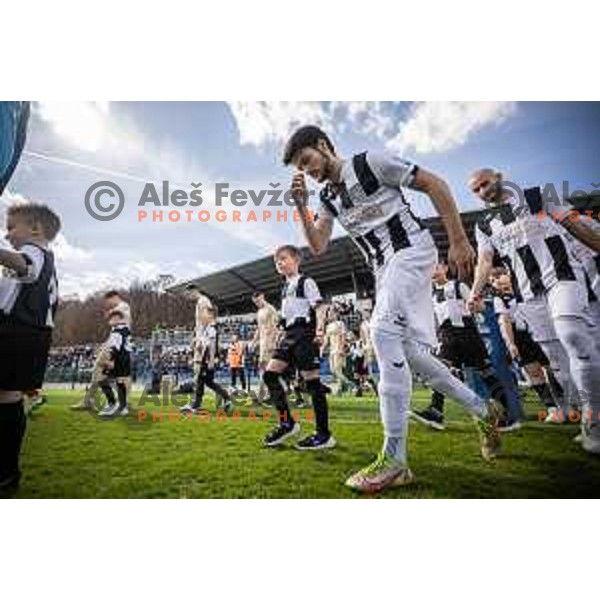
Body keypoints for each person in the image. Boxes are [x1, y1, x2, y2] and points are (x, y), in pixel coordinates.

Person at [283, 125, 500, 492]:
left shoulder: (371, 162)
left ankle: (395, 459)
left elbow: (435, 184)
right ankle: (482, 409)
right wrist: (303, 207)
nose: (309, 171)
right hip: (384, 271)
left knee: (381, 332)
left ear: (323, 146)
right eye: (301, 169)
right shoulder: (327, 199)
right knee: (409, 354)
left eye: (308, 161)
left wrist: (460, 239)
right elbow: (318, 245)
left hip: (412, 251)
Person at [467, 168, 600, 453]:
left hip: (563, 277)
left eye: (485, 184)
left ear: (499, 176)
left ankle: (594, 420)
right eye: (475, 190)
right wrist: (476, 291)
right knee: (558, 364)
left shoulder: (539, 195)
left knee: (574, 336)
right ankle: (581, 414)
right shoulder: (483, 225)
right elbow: (484, 260)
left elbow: (575, 223)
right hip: (528, 295)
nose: (482, 192)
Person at [0, 202, 61, 494]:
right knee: (6, 397)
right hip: (22, 330)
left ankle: (7, 471)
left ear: (35, 228)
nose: (7, 233)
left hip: (22, 331)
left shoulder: (36, 252)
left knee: (7, 396)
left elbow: (26, 267)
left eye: (12, 226)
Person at [411, 262, 514, 431]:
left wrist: (476, 305)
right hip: (447, 338)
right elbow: (435, 322)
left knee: (487, 374)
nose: (432, 272)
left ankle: (509, 415)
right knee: (439, 372)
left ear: (445, 268)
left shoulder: (459, 285)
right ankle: (435, 413)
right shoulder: (430, 296)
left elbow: (479, 307)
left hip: (468, 335)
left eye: (436, 267)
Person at [262, 244, 334, 450]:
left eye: (283, 258)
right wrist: (279, 335)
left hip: (305, 334)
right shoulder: (285, 288)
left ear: (296, 260)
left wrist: (320, 330)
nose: (279, 263)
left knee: (313, 385)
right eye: (277, 261)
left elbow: (319, 307)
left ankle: (323, 435)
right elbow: (286, 316)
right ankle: (287, 422)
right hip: (289, 336)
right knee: (270, 375)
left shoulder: (306, 281)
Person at [488, 267, 564, 422]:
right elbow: (505, 321)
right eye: (492, 280)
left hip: (540, 330)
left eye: (499, 276)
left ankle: (567, 404)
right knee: (534, 373)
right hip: (521, 337)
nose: (496, 282)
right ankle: (552, 408)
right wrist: (511, 344)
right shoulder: (499, 300)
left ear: (509, 275)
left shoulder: (526, 289)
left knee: (553, 369)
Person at [180, 305, 231, 413]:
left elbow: (212, 346)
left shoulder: (212, 328)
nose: (203, 316)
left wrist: (211, 360)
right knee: (208, 382)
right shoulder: (209, 328)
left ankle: (195, 405)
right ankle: (226, 398)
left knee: (200, 381)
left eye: (205, 314)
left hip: (208, 359)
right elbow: (206, 344)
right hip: (206, 358)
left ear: (211, 315)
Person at [97, 309, 132, 417]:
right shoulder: (120, 330)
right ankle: (121, 406)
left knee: (104, 380)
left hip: (119, 358)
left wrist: (111, 360)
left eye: (112, 318)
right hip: (123, 358)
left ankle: (114, 405)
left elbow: (116, 348)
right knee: (117, 381)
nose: (109, 320)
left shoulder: (118, 331)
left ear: (118, 319)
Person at [250, 291, 280, 401]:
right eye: (255, 302)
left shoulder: (270, 309)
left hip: (269, 343)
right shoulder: (259, 311)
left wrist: (273, 343)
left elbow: (275, 327)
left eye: (258, 301)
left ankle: (264, 394)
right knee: (263, 368)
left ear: (262, 297)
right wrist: (253, 342)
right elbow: (259, 328)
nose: (257, 303)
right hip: (263, 343)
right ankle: (265, 394)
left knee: (268, 369)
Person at [322, 306, 351, 394]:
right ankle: (341, 389)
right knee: (333, 370)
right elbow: (326, 339)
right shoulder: (328, 326)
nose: (330, 315)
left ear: (336, 314)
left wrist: (342, 348)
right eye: (329, 314)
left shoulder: (340, 323)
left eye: (332, 313)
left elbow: (343, 336)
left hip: (338, 349)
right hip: (332, 350)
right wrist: (322, 348)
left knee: (337, 370)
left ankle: (351, 386)